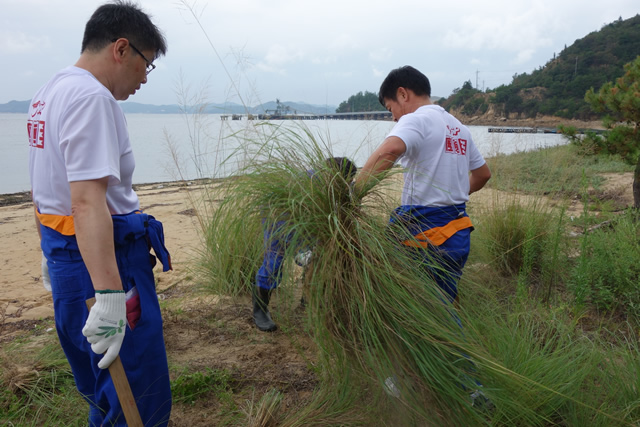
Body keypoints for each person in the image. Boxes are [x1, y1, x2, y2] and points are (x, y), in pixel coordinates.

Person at [28, 2, 171, 425]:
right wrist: (110, 296)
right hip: (107, 262)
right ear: (121, 49)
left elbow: (46, 186)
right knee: (135, 400)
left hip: (70, 256)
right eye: (147, 64)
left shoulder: (49, 91)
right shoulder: (92, 97)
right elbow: (88, 201)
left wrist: (51, 254)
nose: (145, 78)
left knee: (103, 391)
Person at [356, 65, 491, 304]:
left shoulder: (415, 119)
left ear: (403, 94)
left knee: (420, 309)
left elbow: (390, 150)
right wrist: (454, 193)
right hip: (458, 234)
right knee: (443, 302)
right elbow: (483, 174)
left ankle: (449, 340)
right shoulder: (459, 128)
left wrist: (354, 193)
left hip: (427, 234)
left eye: (391, 109)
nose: (394, 117)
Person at [253, 157, 358, 332]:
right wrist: (298, 246)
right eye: (347, 181)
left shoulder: (338, 185)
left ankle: (307, 299)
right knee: (274, 263)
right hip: (278, 215)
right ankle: (260, 311)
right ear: (333, 175)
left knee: (317, 257)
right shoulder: (307, 183)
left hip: (308, 221)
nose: (349, 184)